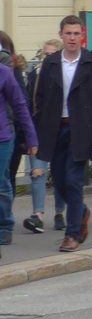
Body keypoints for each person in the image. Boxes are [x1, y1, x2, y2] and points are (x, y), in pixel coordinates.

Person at [33, 15, 92, 253]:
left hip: (81, 129)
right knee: (59, 181)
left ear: (82, 35)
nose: (72, 38)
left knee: (74, 181)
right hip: (54, 128)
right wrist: (39, 126)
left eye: (76, 33)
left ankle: (72, 234)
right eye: (68, 33)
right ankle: (82, 213)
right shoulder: (52, 63)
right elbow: (39, 97)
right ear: (61, 35)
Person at [22, 39, 66, 233]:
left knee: (60, 174)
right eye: (45, 55)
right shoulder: (34, 76)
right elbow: (27, 105)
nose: (48, 59)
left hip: (60, 131)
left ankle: (59, 212)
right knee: (37, 174)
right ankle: (37, 214)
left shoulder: (66, 75)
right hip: (38, 131)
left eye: (52, 55)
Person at [0, 59, 38, 250]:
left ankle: (5, 225)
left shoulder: (4, 73)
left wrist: (31, 138)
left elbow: (20, 106)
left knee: (1, 182)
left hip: (2, 138)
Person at [0, 30, 30, 194]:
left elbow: (21, 103)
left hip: (11, 131)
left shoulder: (11, 71)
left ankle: (5, 217)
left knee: (6, 179)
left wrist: (24, 135)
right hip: (11, 130)